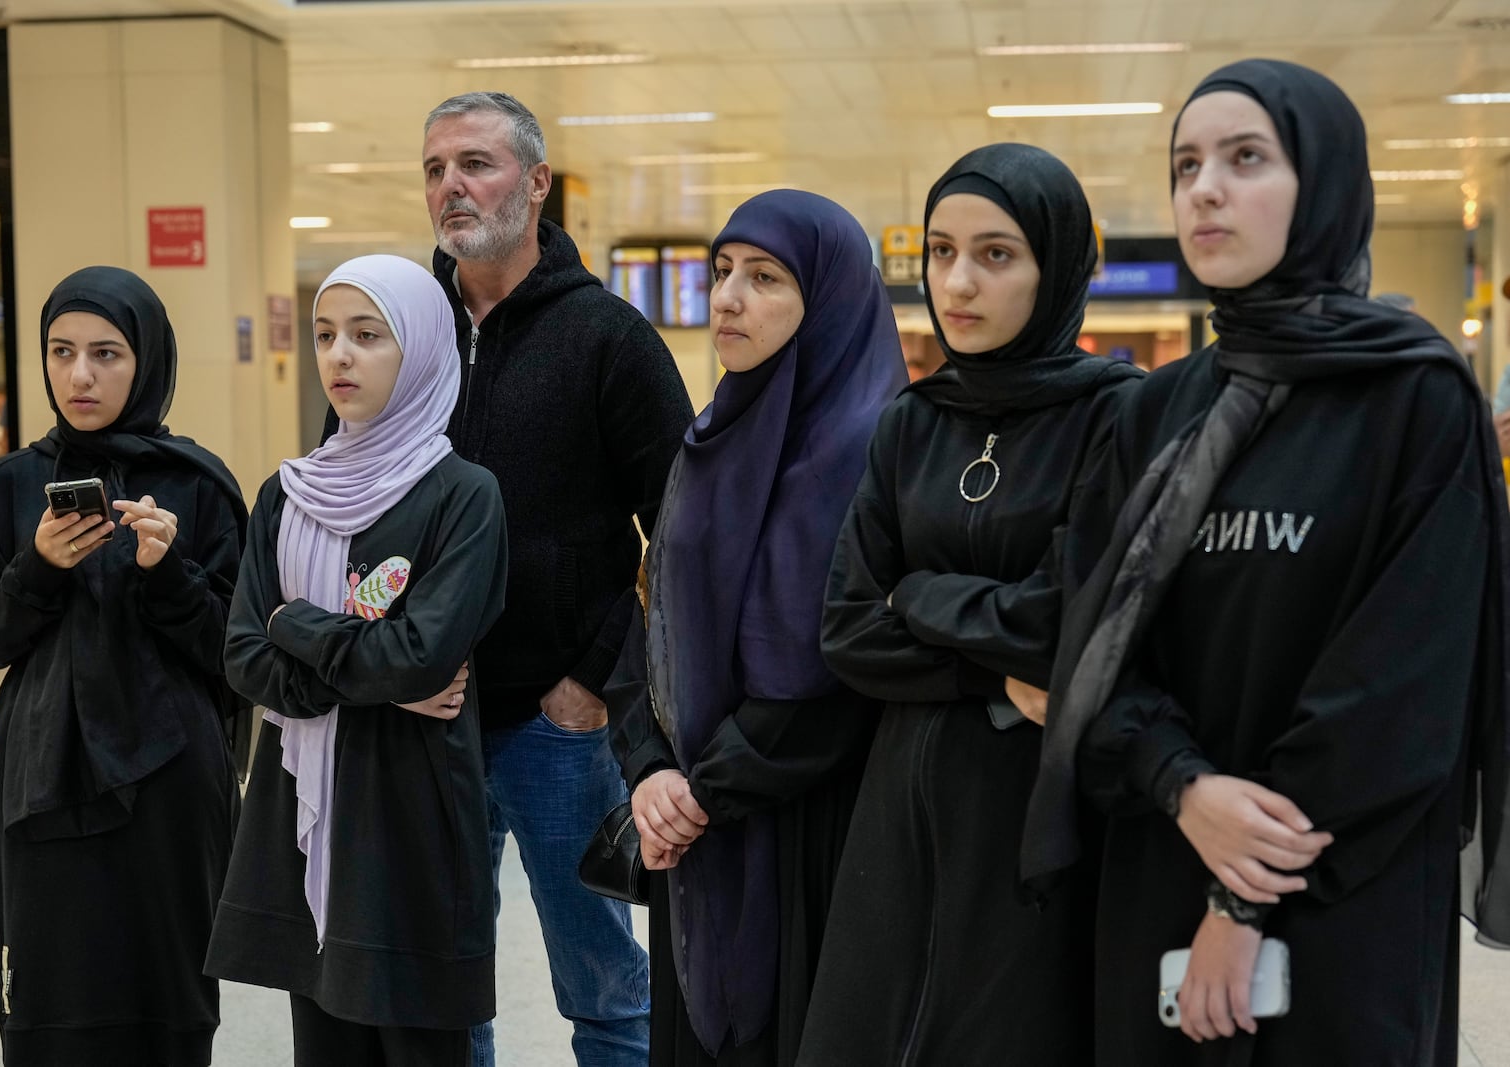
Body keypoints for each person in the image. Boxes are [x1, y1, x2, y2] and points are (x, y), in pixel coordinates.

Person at [1022, 59, 1510, 1065]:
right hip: (1161, 841)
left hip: (1341, 881)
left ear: (1323, 181)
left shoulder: (1414, 399)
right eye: (1185, 163)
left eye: (1246, 158)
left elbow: (1401, 688)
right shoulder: (1151, 410)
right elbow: (1090, 640)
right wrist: (1182, 786)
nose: (1203, 187)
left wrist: (1239, 901)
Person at [795, 145, 1142, 1066]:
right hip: (902, 803)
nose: (958, 282)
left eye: (996, 254)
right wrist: (988, 665)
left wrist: (919, 590)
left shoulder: (1119, 416)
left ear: (1058, 264)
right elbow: (847, 626)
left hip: (1042, 804)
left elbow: (1065, 621)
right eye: (941, 252)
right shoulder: (913, 421)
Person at [421, 90, 694, 1066]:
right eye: (435, 168)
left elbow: (683, 528)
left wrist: (594, 678)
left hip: (557, 725)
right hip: (426, 716)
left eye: (477, 163)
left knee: (606, 992)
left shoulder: (608, 338)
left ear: (536, 182)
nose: (453, 184)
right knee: (439, 987)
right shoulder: (404, 335)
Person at [607, 190, 906, 1066]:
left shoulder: (874, 447)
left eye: (765, 277)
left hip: (809, 829)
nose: (729, 297)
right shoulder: (708, 441)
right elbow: (650, 615)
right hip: (692, 828)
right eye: (722, 272)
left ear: (831, 298)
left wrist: (704, 789)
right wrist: (650, 767)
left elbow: (848, 665)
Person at [205, 254, 509, 1066]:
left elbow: (420, 656)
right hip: (305, 812)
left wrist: (292, 621)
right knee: (326, 1039)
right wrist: (367, 674)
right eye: (326, 334)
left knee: (419, 1039)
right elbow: (241, 657)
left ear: (420, 350)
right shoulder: (287, 493)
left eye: (368, 336)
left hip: (411, 814)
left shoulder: (463, 495)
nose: (340, 355)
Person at [0, 265, 248, 1065]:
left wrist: (168, 572)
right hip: (42, 776)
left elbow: (236, 650)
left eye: (108, 353)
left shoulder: (198, 484)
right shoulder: (14, 483)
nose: (80, 375)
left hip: (171, 778)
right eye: (61, 351)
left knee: (167, 995)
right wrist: (38, 566)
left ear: (146, 358)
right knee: (49, 993)